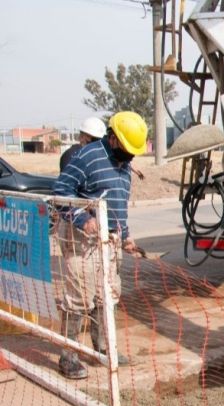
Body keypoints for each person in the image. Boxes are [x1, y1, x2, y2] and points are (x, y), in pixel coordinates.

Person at [53, 111, 148, 380]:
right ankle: (68, 356)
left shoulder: (124, 165)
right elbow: (61, 191)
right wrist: (83, 219)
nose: (131, 156)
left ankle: (103, 348)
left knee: (107, 294)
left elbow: (118, 204)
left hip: (110, 240)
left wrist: (126, 236)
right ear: (114, 139)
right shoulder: (88, 156)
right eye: (128, 150)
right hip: (82, 238)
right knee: (79, 296)